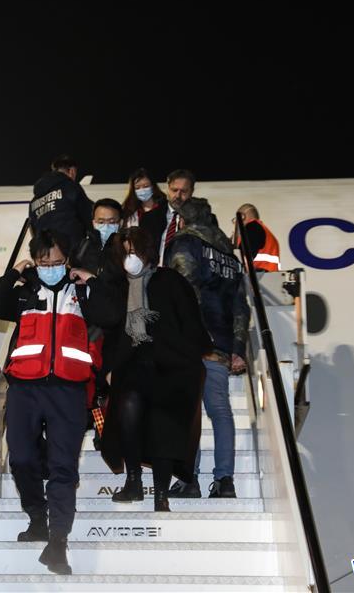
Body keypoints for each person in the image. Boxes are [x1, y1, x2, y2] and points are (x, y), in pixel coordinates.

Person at [0, 229, 122, 575]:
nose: (50, 268)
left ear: (67, 260)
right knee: (22, 457)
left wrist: (92, 281)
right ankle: (37, 517)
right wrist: (15, 272)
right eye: (43, 263)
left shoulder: (81, 292)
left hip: (68, 391)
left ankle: (58, 541)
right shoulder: (24, 292)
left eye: (57, 262)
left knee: (63, 466)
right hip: (25, 389)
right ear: (35, 262)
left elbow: (112, 315)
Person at [99, 226, 210, 512]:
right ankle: (133, 481)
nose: (130, 257)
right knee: (127, 414)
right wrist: (110, 367)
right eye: (125, 252)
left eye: (134, 251)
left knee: (164, 428)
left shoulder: (169, 280)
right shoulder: (118, 287)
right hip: (133, 364)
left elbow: (190, 323)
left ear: (148, 251)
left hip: (172, 366)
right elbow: (111, 330)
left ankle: (161, 495)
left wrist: (188, 358)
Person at [165, 197, 250, 499]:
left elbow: (180, 291)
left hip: (192, 343)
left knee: (188, 414)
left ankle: (189, 480)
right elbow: (241, 306)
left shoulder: (186, 243)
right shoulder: (230, 256)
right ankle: (225, 481)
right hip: (221, 345)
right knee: (220, 412)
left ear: (184, 220)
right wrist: (238, 346)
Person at [29, 154, 96, 267]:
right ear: (72, 171)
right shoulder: (70, 187)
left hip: (47, 258)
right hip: (72, 255)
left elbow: (34, 230)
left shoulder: (34, 201)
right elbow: (90, 216)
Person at [141, 169, 196, 264]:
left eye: (183, 191)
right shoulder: (149, 218)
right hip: (156, 271)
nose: (178, 196)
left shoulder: (203, 220)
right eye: (174, 190)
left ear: (191, 192)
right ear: (168, 189)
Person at [234, 203, 281, 271]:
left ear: (242, 216)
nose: (236, 223)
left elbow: (242, 258)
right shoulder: (266, 232)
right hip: (270, 275)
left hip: (258, 276)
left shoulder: (252, 228)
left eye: (236, 219)